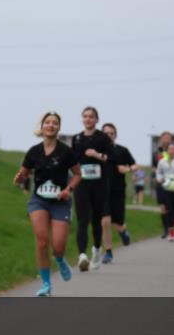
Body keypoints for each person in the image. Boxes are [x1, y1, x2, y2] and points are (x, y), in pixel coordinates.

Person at [13, 111, 80, 296]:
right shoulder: (33, 152)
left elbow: (78, 174)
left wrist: (69, 190)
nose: (51, 125)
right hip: (39, 201)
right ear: (42, 127)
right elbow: (23, 175)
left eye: (55, 123)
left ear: (58, 128)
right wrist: (19, 179)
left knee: (58, 247)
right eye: (48, 122)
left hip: (60, 202)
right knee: (42, 241)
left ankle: (60, 260)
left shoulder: (65, 151)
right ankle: (46, 284)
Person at [70, 107, 113, 271]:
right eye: (85, 116)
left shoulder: (103, 138)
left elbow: (112, 158)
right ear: (82, 119)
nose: (88, 119)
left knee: (96, 220)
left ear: (96, 120)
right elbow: (72, 160)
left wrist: (96, 155)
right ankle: (82, 255)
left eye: (91, 117)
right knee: (82, 220)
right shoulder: (76, 138)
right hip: (82, 183)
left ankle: (96, 250)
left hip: (99, 184)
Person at [100, 123, 136, 260]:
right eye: (106, 133)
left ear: (115, 135)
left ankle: (123, 232)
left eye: (111, 133)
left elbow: (135, 165)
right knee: (105, 222)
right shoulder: (98, 152)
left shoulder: (122, 150)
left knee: (118, 223)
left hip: (118, 191)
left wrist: (128, 169)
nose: (109, 135)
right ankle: (108, 252)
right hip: (102, 191)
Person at [152, 131, 173, 238]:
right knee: (162, 206)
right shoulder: (156, 153)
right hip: (160, 183)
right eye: (164, 138)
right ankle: (165, 229)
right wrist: (156, 171)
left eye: (168, 138)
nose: (166, 140)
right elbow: (153, 167)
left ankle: (172, 227)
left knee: (170, 206)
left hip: (172, 182)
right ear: (161, 139)